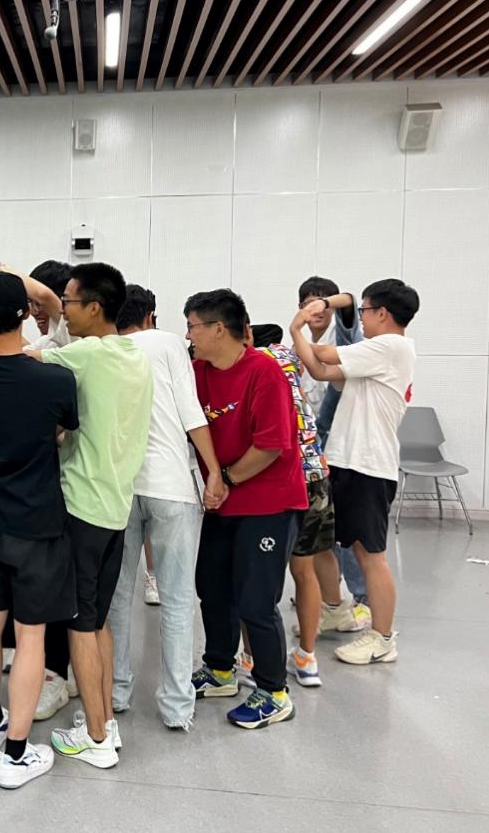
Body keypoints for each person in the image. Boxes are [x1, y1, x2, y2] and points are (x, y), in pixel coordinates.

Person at [0, 273, 79, 788]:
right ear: (27, 314)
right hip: (36, 520)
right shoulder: (54, 378)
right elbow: (65, 428)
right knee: (31, 636)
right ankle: (17, 753)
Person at [28, 262, 153, 767]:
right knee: (98, 621)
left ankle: (97, 740)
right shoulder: (134, 354)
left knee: (80, 624)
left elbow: (15, 358)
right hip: (114, 506)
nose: (64, 311)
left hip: (81, 507)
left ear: (95, 307)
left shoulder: (88, 354)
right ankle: (104, 723)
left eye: (70, 303)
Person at [186, 290, 306, 730]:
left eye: (193, 326)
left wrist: (225, 479)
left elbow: (271, 446)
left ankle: (274, 692)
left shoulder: (263, 371)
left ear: (219, 328)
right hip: (222, 502)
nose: (189, 336)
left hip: (268, 503)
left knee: (256, 600)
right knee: (212, 587)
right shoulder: (197, 371)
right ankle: (220, 669)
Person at [107, 286, 224, 730]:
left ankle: (117, 691)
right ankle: (176, 706)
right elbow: (191, 413)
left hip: (120, 487)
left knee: (118, 596)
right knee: (176, 599)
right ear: (150, 316)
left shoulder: (103, 349)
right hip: (171, 486)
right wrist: (213, 472)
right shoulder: (169, 343)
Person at [291, 279, 419, 666]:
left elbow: (322, 352)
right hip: (343, 462)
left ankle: (382, 637)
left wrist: (297, 327)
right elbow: (320, 371)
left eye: (364, 310)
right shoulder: (372, 357)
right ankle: (335, 609)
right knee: (320, 543)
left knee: (369, 554)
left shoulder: (391, 346)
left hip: (369, 466)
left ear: (382, 312)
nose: (360, 317)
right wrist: (301, 330)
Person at [251, 324, 333, 688]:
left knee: (256, 576)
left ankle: (252, 659)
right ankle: (307, 658)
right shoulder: (291, 360)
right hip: (316, 474)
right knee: (305, 570)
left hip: (281, 479)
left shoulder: (255, 363)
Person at [297, 276, 371, 632]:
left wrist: (331, 302)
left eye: (320, 304)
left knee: (343, 529)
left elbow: (350, 306)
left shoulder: (346, 341)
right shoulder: (296, 345)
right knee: (320, 530)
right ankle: (330, 597)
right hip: (311, 450)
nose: (314, 311)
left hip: (341, 447)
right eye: (307, 304)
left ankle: (361, 598)